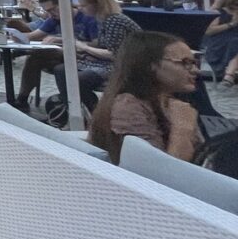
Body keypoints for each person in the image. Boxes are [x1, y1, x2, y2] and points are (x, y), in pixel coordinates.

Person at [87, 32, 203, 164]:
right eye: (185, 62)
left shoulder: (169, 102)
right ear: (150, 65)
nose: (195, 70)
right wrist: (182, 129)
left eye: (194, 63)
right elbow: (158, 171)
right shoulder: (128, 108)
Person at [54, 0, 142, 118]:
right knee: (61, 70)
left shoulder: (114, 20)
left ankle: (93, 112)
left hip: (125, 65)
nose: (80, 8)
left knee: (78, 80)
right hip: (109, 62)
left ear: (97, 4)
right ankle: (74, 109)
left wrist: (85, 48)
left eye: (84, 5)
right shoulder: (102, 19)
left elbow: (115, 54)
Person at [10, 0, 99, 113]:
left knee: (40, 54)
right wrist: (16, 36)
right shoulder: (54, 19)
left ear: (64, 4)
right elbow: (34, 35)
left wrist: (61, 40)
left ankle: (22, 98)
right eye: (47, 11)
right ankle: (22, 99)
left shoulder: (86, 17)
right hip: (64, 56)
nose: (51, 14)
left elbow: (97, 44)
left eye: (52, 9)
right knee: (35, 58)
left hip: (85, 57)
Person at [204, 0, 238, 86]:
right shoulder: (220, 13)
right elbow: (209, 31)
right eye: (235, 4)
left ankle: (229, 75)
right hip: (220, 44)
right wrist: (231, 24)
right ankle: (229, 75)